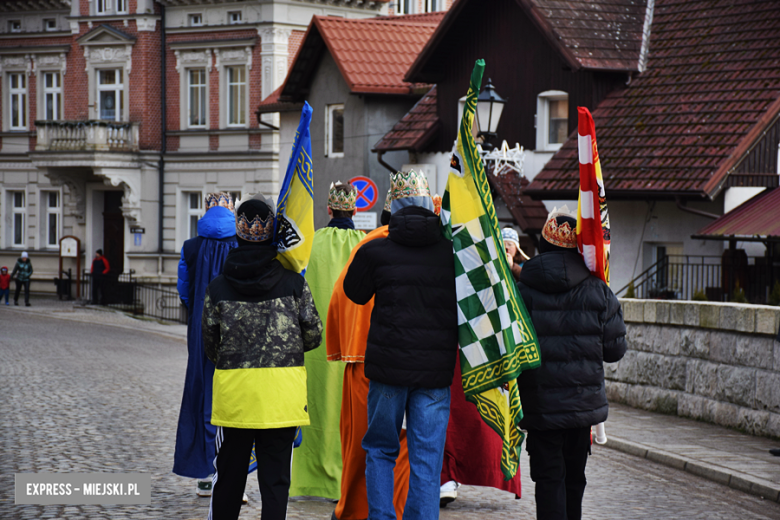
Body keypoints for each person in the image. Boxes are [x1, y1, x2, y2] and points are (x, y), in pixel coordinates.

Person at [344, 170, 458, 520]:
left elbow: (354, 292)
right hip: (434, 375)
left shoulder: (375, 250)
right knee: (426, 457)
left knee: (380, 449)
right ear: (429, 204)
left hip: (388, 370)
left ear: (392, 206)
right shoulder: (452, 253)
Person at [202, 195, 322, 520]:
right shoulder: (294, 284)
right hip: (281, 400)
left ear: (237, 233)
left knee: (228, 480)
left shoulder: (218, 287)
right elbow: (313, 335)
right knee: (275, 483)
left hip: (236, 400)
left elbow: (209, 346)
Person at [516, 207, 627, 520]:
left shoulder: (521, 290)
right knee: (575, 480)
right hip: (581, 407)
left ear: (543, 244)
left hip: (538, 404)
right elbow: (614, 350)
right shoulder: (598, 291)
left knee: (549, 479)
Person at [327, 187, 411, 520]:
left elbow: (340, 296)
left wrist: (342, 343)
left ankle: (353, 512)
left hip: (364, 358)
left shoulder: (368, 244)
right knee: (405, 445)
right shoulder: (430, 246)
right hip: (416, 364)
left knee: (366, 444)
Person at [290, 181, 365, 500]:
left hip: (316, 346)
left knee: (315, 407)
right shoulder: (366, 243)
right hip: (356, 346)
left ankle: (308, 478)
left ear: (329, 209)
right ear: (356, 210)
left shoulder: (312, 244)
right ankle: (345, 482)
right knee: (350, 414)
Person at [173, 192, 239, 497]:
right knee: (235, 394)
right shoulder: (239, 244)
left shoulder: (190, 246)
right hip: (236, 327)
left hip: (201, 329)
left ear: (205, 210)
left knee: (202, 392)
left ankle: (205, 473)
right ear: (230, 210)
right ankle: (232, 477)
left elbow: (184, 292)